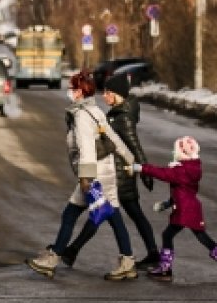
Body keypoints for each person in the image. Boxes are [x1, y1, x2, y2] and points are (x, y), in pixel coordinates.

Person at [26, 70, 137, 280]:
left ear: (79, 92)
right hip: (104, 170)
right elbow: (113, 139)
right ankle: (128, 261)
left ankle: (53, 259)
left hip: (94, 175)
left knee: (71, 214)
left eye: (72, 88)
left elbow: (87, 148)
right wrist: (129, 159)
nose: (69, 92)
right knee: (112, 216)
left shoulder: (82, 116)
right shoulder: (95, 111)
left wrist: (86, 179)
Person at [60, 73, 160, 268]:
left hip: (121, 175)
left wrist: (145, 171)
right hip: (118, 172)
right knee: (116, 214)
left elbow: (134, 146)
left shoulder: (122, 118)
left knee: (104, 213)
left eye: (108, 92)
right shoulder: (116, 114)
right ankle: (147, 253)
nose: (104, 95)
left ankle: (72, 251)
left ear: (118, 95)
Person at [133, 136, 217, 283]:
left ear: (182, 152)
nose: (173, 152)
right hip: (192, 208)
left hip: (184, 210)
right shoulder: (193, 168)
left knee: (168, 235)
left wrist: (142, 168)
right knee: (202, 237)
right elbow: (183, 191)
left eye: (176, 150)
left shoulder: (181, 171)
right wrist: (168, 203)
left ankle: (165, 269)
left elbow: (163, 173)